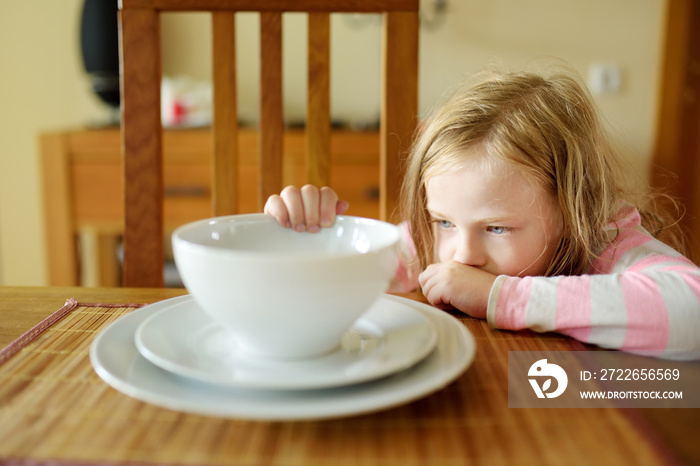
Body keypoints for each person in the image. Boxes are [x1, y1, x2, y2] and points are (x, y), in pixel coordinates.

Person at [264, 65, 700, 358]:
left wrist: (502, 297)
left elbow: (692, 312)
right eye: (444, 222)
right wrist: (306, 239)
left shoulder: (603, 241)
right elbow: (321, 284)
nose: (461, 255)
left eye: (496, 227)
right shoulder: (429, 244)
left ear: (571, 211)